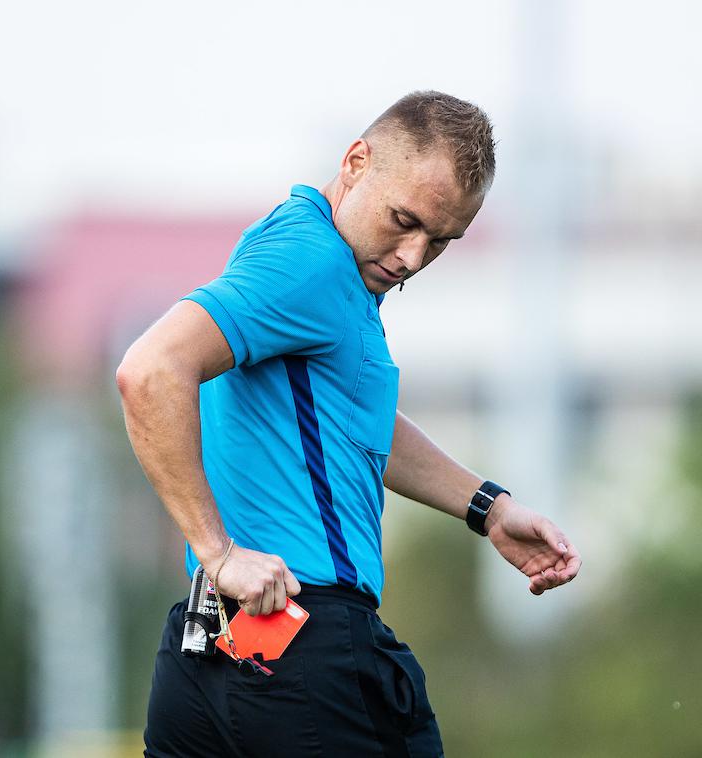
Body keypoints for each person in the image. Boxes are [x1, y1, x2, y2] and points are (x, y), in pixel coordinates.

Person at [116, 91, 583, 757]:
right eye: (405, 221)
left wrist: (488, 507)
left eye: (441, 240)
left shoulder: (309, 250)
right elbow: (151, 369)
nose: (414, 257)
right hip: (303, 651)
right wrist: (216, 551)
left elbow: (353, 429)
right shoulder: (312, 264)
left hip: (207, 655)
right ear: (357, 160)